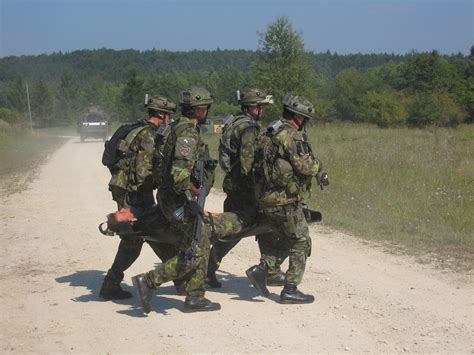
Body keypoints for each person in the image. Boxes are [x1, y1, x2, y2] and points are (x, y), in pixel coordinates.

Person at [132, 87, 221, 313]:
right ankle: (150, 281)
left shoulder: (172, 127)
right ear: (199, 109)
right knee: (196, 247)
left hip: (168, 198)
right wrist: (192, 196)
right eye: (206, 108)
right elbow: (179, 174)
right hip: (179, 202)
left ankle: (195, 295)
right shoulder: (188, 132)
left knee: (195, 243)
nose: (207, 111)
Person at [99, 95, 179, 300]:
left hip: (125, 187)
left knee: (149, 229)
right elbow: (143, 172)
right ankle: (111, 283)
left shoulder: (137, 129)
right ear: (161, 114)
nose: (169, 119)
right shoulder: (148, 135)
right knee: (135, 236)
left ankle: (180, 277)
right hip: (133, 191)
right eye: (168, 115)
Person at [206, 88, 286, 289]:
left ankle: (271, 270)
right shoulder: (249, 129)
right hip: (246, 190)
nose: (263, 111)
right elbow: (247, 164)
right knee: (243, 229)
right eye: (261, 107)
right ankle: (207, 269)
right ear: (254, 107)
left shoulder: (234, 122)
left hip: (234, 185)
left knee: (253, 227)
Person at [246, 94, 323, 304]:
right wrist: (318, 166)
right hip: (284, 200)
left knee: (289, 238)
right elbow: (306, 167)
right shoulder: (291, 135)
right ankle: (290, 289)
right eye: (305, 119)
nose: (305, 123)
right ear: (299, 117)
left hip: (266, 198)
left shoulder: (270, 131)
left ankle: (262, 270)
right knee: (301, 241)